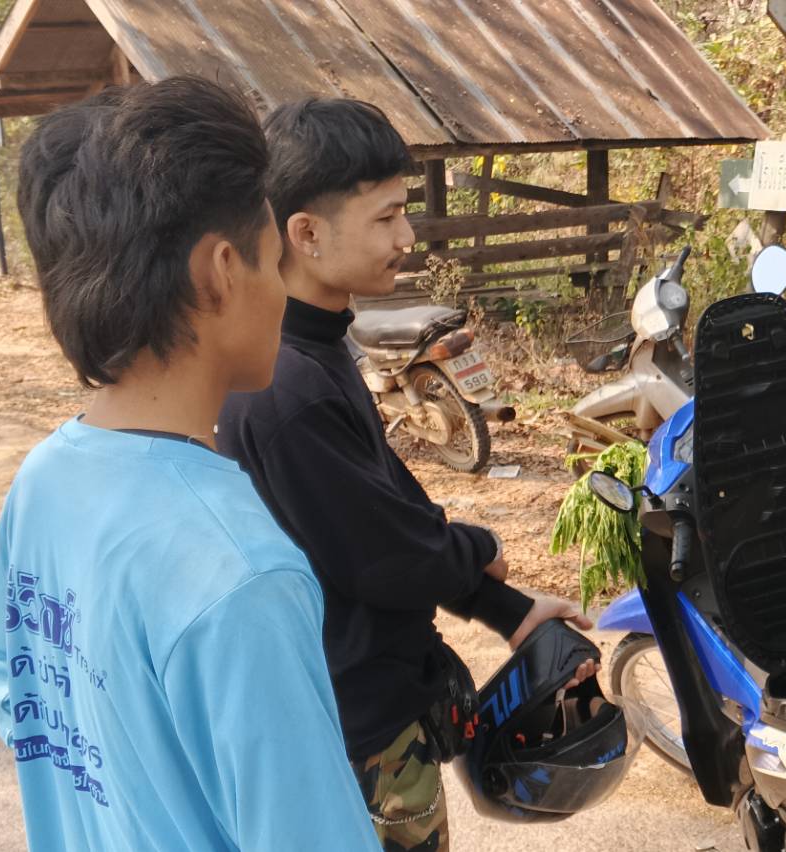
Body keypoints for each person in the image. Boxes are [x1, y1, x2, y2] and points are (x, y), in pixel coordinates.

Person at [0, 78, 377, 851]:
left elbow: (4, 663)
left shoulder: (45, 480)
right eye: (272, 261)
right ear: (220, 271)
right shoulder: (241, 573)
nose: (282, 293)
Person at [214, 98, 590, 852]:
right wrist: (481, 549)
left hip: (371, 707)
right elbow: (384, 555)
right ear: (306, 234)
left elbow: (385, 503)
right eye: (386, 217)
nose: (407, 237)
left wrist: (505, 606)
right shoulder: (287, 387)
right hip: (355, 733)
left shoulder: (317, 348)